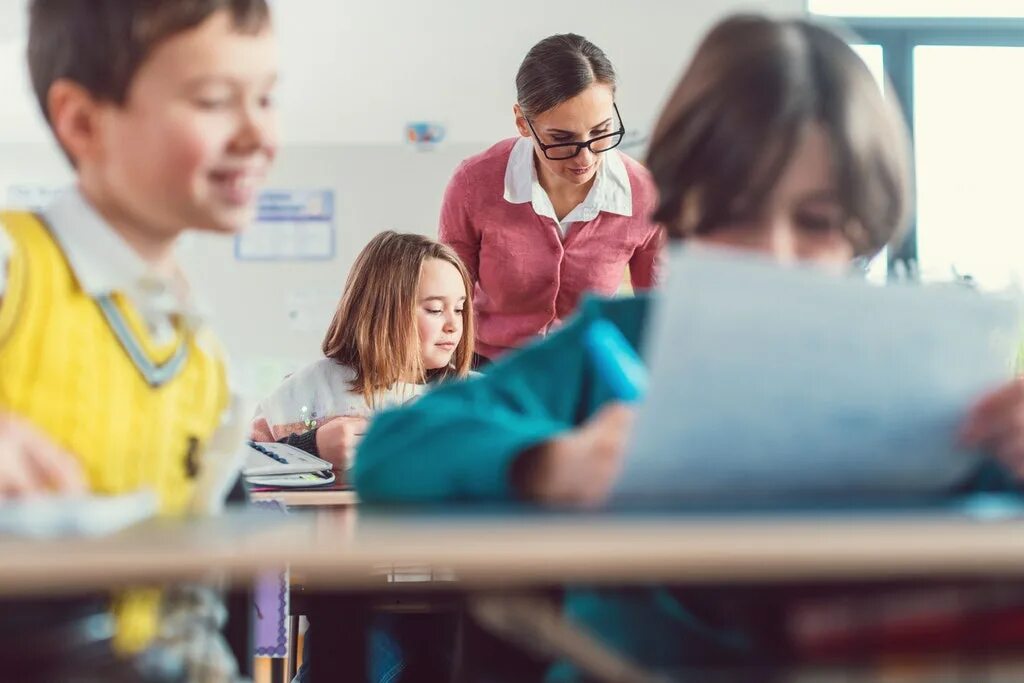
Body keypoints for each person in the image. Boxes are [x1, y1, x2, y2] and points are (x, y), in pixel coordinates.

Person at [354, 14, 1024, 680]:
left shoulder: (917, 372)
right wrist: (552, 462)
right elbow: (391, 453)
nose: (775, 256)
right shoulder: (620, 342)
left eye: (816, 222)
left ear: (867, 223)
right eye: (736, 216)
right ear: (684, 212)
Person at [0, 1, 277, 678]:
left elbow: (189, 612)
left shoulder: (206, 365)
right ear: (83, 121)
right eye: (214, 100)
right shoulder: (16, 263)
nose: (258, 133)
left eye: (267, 98)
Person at [250, 231, 474, 683]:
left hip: (454, 597)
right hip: (352, 594)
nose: (453, 324)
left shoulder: (474, 395)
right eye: (434, 309)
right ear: (381, 308)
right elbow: (249, 465)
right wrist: (313, 445)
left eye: (460, 309)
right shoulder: (315, 387)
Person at [439, 33, 662, 365]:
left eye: (601, 132)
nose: (585, 157)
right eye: (562, 139)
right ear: (522, 123)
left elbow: (657, 312)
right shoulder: (474, 184)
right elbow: (445, 300)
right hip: (486, 369)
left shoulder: (644, 195)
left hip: (586, 371)